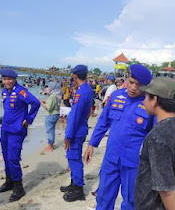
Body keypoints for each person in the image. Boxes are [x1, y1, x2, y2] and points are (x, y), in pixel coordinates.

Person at [84, 64, 153, 210]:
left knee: (131, 200)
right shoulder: (116, 96)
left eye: (139, 85)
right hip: (111, 158)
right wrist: (92, 144)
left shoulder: (150, 104)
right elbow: (103, 121)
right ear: (127, 78)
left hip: (134, 162)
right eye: (131, 82)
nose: (133, 87)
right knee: (103, 195)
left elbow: (155, 135)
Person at [135, 77, 175, 210]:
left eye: (146, 96)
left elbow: (166, 191)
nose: (143, 100)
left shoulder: (158, 138)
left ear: (154, 100)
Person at [0, 69, 40, 202]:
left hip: (17, 130)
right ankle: (9, 182)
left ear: (15, 79)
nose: (7, 81)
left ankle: (19, 188)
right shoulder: (4, 92)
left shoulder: (21, 91)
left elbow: (35, 103)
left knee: (13, 158)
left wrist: (28, 119)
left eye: (10, 79)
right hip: (5, 129)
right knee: (6, 156)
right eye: (4, 79)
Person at [60, 65, 93, 202]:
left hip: (75, 132)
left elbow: (76, 116)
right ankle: (74, 183)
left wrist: (68, 135)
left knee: (74, 159)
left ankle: (78, 189)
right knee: (72, 158)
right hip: (79, 129)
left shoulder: (81, 92)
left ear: (75, 76)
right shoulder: (87, 90)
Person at [39, 82, 61, 152]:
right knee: (51, 130)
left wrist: (40, 102)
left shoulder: (52, 96)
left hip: (51, 115)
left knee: (50, 131)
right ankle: (51, 144)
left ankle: (50, 146)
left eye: (49, 87)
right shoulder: (56, 95)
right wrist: (45, 102)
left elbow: (48, 108)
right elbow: (53, 104)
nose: (48, 88)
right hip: (56, 114)